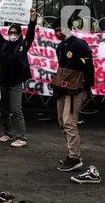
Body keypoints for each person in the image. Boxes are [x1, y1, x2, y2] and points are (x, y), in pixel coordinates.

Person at [52, 17, 94, 172]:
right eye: (55, 30)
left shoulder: (79, 45)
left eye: (60, 29)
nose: (58, 32)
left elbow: (89, 67)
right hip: (62, 89)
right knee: (62, 122)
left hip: (76, 89)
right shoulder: (60, 47)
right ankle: (71, 153)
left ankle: (75, 158)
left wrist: (86, 88)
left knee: (69, 121)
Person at [0, 8, 36, 147]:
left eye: (15, 32)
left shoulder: (23, 45)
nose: (12, 34)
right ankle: (8, 133)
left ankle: (22, 138)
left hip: (15, 83)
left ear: (19, 34)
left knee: (16, 110)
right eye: (10, 32)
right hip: (3, 82)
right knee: (4, 110)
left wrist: (32, 20)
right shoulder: (4, 44)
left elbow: (30, 35)